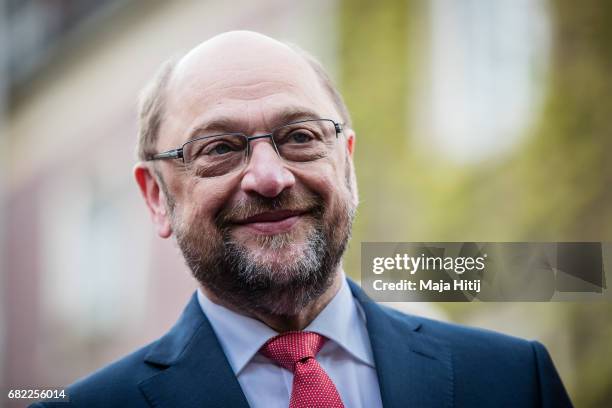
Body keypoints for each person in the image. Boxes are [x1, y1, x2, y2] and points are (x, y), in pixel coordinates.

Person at [32, 31, 573, 407]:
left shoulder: (513, 380)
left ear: (348, 165)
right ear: (155, 197)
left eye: (300, 137)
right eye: (219, 147)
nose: (270, 178)